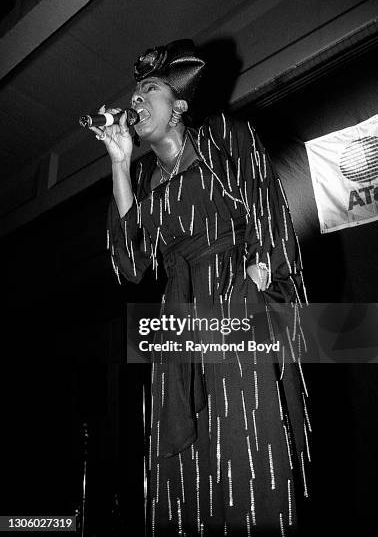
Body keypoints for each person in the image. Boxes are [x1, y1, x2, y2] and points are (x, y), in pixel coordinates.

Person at [92, 40, 311, 536]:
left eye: (150, 89)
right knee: (185, 460)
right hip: (180, 318)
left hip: (234, 297)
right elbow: (130, 265)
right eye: (136, 92)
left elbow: (270, 214)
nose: (138, 99)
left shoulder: (225, 139)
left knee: (245, 441)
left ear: (180, 107)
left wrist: (258, 283)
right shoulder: (145, 176)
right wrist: (120, 164)